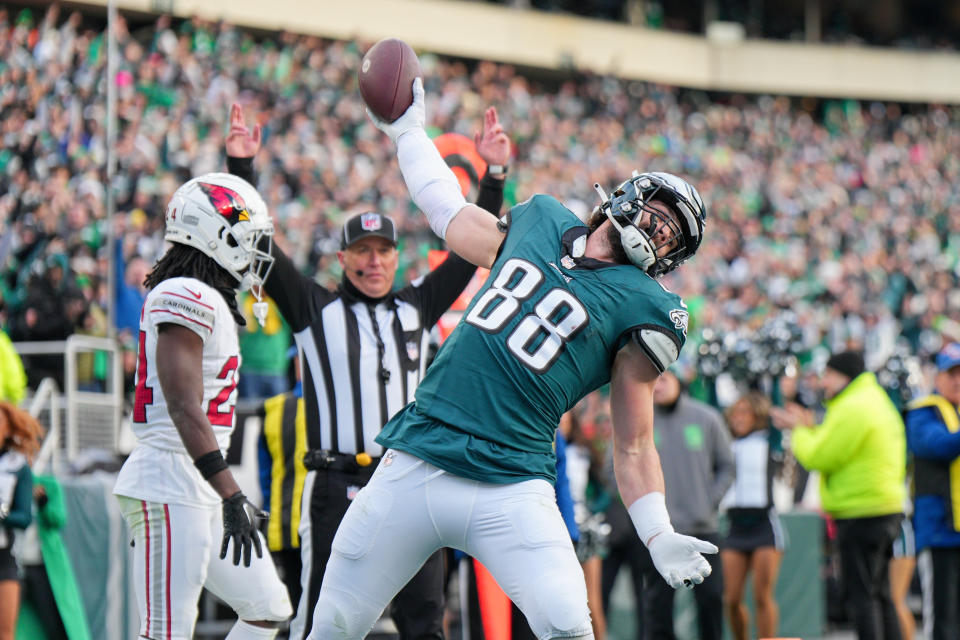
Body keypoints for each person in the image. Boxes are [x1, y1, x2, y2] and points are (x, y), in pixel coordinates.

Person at [306, 78, 715, 639]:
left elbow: (634, 439)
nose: (660, 231)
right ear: (628, 195)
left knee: (570, 627)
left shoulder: (649, 307)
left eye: (674, 235)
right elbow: (448, 212)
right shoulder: (542, 219)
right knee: (332, 623)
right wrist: (408, 134)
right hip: (421, 452)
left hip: (512, 480)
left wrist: (657, 530)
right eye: (660, 214)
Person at [224, 101, 510, 640]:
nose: (374, 262)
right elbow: (257, 243)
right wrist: (242, 172)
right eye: (362, 250)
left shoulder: (416, 306)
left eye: (383, 251)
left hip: (405, 480)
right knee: (323, 622)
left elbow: (471, 253)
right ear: (342, 258)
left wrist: (493, 178)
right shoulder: (314, 309)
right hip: (334, 483)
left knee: (426, 623)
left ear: (397, 259)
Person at [112, 173, 293, 640]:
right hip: (171, 477)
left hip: (197, 480)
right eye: (248, 240)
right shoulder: (183, 294)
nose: (255, 253)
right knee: (166, 631)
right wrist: (232, 491)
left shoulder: (204, 295)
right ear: (218, 234)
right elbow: (183, 406)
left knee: (267, 607)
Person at [772, 350, 906, 640]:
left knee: (862, 598)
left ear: (843, 375)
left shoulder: (853, 406)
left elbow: (819, 456)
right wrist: (810, 428)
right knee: (881, 596)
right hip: (882, 508)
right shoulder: (874, 400)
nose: (824, 383)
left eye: (828, 375)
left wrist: (798, 430)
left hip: (861, 512)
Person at [622, 367, 733, 640]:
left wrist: (708, 502)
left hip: (702, 527)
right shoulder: (637, 421)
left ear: (680, 381)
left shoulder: (707, 418)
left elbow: (727, 466)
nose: (658, 385)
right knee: (657, 609)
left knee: (710, 603)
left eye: (665, 378)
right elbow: (619, 468)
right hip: (658, 534)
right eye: (653, 380)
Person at [904, 342, 960, 640]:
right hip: (939, 530)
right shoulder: (922, 412)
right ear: (937, 377)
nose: (958, 380)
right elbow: (936, 446)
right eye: (952, 373)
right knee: (942, 618)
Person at [721, 391, 786, 640]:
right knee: (732, 598)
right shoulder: (726, 441)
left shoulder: (769, 440)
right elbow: (713, 409)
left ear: (758, 415)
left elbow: (776, 412)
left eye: (744, 412)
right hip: (736, 526)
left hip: (764, 525)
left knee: (762, 596)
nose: (738, 417)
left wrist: (777, 377)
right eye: (735, 412)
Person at [0, 401, 43, 640]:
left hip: (3, 559)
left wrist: (2, 514)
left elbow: (24, 517)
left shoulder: (17, 466)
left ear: (7, 429)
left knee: (5, 633)